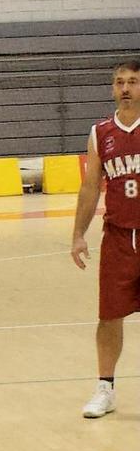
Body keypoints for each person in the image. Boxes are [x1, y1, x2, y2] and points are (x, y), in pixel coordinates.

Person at [74, 57, 140, 418]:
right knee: (109, 316)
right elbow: (89, 188)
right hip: (117, 236)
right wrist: (77, 235)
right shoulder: (100, 133)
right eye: (119, 82)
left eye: (132, 81)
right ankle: (105, 388)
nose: (125, 88)